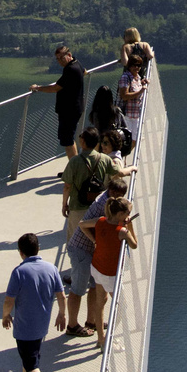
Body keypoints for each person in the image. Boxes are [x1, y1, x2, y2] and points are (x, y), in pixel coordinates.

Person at [3, 232, 67, 372]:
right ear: (39, 248)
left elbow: (8, 300)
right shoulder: (51, 268)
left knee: (32, 365)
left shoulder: (19, 272)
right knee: (28, 357)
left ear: (20, 252)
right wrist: (62, 314)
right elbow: (62, 296)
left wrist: (6, 315)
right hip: (41, 327)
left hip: (25, 329)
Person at [62, 176, 128, 338]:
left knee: (94, 286)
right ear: (110, 191)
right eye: (115, 193)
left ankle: (91, 320)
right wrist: (96, 241)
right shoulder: (102, 206)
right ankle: (72, 325)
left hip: (92, 252)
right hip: (81, 250)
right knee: (77, 289)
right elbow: (86, 224)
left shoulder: (110, 204)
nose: (117, 197)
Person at [79, 196, 140, 351]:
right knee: (121, 307)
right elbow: (134, 245)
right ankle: (109, 337)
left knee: (100, 303)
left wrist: (94, 240)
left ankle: (101, 339)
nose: (128, 216)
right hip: (110, 274)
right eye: (127, 214)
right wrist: (130, 226)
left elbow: (82, 225)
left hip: (97, 268)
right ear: (120, 214)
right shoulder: (122, 231)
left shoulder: (100, 221)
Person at [61, 127, 135, 245]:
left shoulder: (74, 161)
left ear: (83, 142)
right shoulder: (105, 159)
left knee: (74, 242)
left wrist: (65, 205)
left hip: (77, 207)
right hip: (97, 208)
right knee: (97, 240)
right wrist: (132, 168)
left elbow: (67, 187)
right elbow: (120, 173)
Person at [31, 45, 86, 158]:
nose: (60, 61)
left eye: (62, 58)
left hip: (69, 110)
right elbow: (85, 72)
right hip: (75, 107)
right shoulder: (76, 63)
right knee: (69, 139)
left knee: (67, 141)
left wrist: (38, 87)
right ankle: (74, 166)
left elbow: (55, 88)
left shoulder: (70, 69)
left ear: (69, 55)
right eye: (58, 59)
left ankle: (74, 170)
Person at [117, 47, 149, 131]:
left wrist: (142, 83)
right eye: (134, 65)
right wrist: (140, 91)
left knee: (135, 140)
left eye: (139, 65)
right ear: (129, 66)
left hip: (136, 115)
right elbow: (124, 96)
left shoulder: (137, 77)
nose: (137, 68)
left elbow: (135, 88)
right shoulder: (125, 77)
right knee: (129, 140)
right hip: (127, 115)